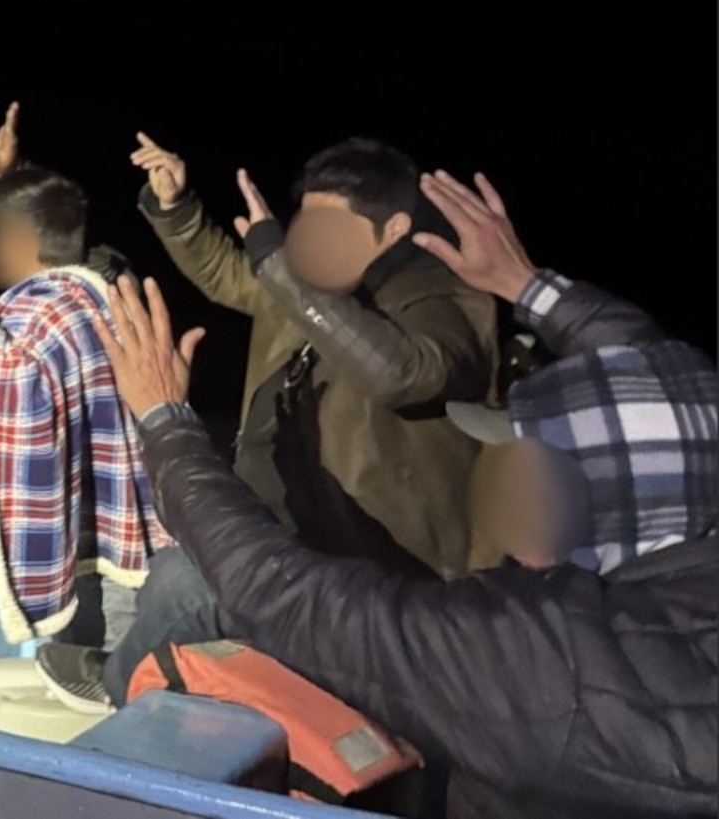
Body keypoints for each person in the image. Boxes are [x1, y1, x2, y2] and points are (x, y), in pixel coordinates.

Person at [78, 172, 715, 818]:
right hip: (319, 540)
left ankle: (107, 718)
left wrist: (163, 419)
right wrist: (528, 283)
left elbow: (402, 375)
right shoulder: (684, 520)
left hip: (390, 575)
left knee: (183, 581)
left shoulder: (546, 662)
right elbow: (660, 367)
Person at [129, 133, 496, 580]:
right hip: (270, 523)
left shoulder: (445, 298)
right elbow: (224, 272)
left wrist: (278, 265)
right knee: (174, 571)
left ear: (395, 228)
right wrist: (176, 208)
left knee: (178, 585)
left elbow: (405, 374)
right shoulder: (308, 282)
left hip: (376, 568)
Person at [0, 102, 167, 711]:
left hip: (87, 562)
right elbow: (52, 230)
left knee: (105, 680)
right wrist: (13, 176)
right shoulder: (105, 283)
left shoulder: (28, 320)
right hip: (126, 523)